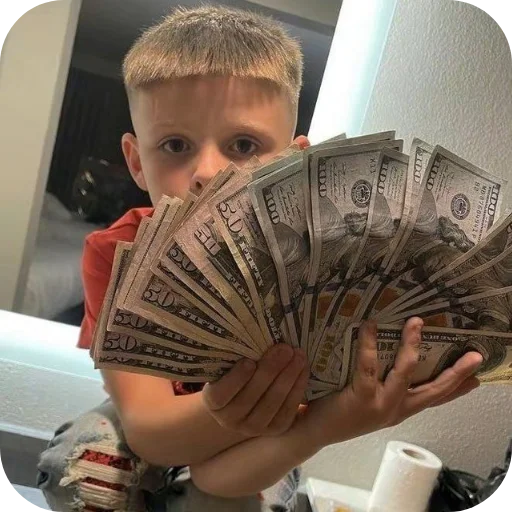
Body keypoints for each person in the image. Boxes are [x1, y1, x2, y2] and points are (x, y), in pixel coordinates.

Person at [36, 6, 483, 511]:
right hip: (170, 417)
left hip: (269, 435)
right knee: (83, 464)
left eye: (244, 144)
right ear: (137, 162)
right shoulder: (117, 255)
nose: (209, 172)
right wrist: (218, 410)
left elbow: (221, 478)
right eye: (175, 145)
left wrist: (332, 422)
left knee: (222, 502)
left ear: (294, 160)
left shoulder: (316, 261)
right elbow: (151, 432)